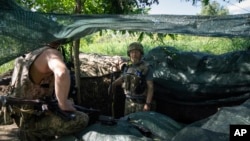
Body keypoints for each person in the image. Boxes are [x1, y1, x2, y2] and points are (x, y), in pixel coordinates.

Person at [7, 41, 89, 141]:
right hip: (33, 118)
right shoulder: (50, 53)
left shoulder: (27, 53)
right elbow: (62, 73)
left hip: (19, 115)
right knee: (82, 118)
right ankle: (31, 134)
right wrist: (63, 102)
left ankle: (30, 132)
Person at [109, 42, 154, 115]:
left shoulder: (146, 68)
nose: (134, 55)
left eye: (136, 52)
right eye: (132, 52)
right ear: (129, 54)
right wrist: (113, 84)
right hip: (128, 102)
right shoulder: (128, 67)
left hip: (141, 103)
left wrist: (147, 104)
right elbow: (123, 78)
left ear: (141, 53)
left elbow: (150, 87)